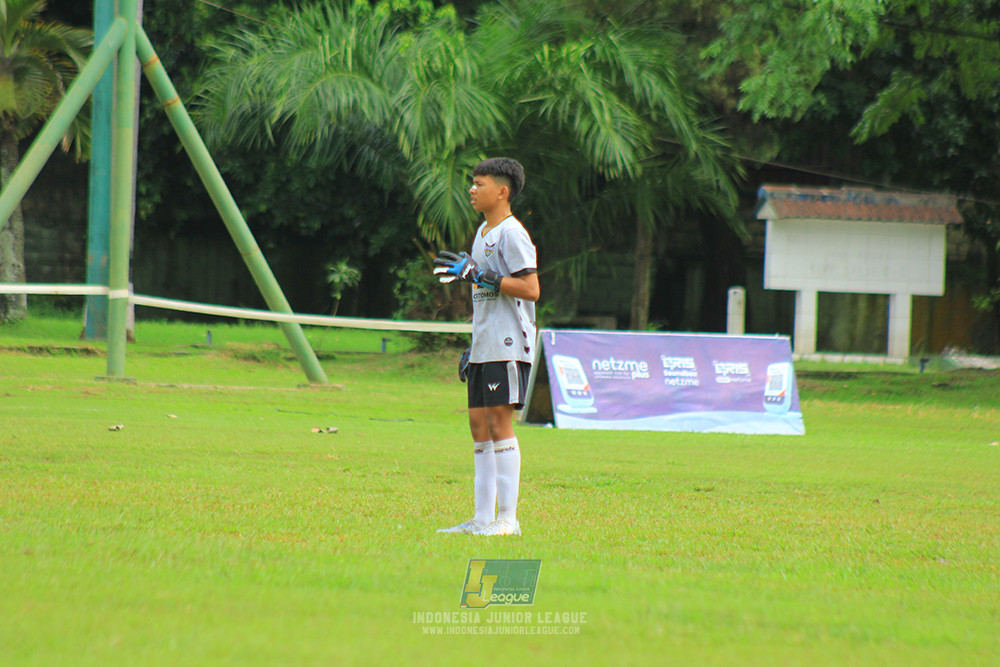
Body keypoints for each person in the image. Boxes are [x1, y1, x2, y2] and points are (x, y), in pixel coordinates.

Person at [432, 157, 539, 536]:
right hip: (486, 345)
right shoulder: (483, 232)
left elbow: (530, 289)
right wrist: (473, 346)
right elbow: (485, 295)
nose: (472, 190)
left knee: (499, 423)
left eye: (480, 183)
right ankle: (480, 520)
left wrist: (480, 273)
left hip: (509, 344)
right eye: (472, 183)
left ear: (502, 191)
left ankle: (508, 520)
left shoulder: (512, 233)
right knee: (479, 426)